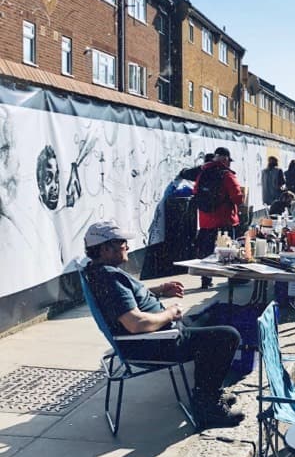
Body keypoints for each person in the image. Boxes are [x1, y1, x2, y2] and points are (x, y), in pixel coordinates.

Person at [83, 220, 244, 428]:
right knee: (227, 336)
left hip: (156, 337)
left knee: (212, 314)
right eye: (122, 242)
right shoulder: (109, 278)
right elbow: (136, 323)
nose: (128, 247)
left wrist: (158, 290)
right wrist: (170, 313)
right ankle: (207, 406)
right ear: (106, 248)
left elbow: (126, 300)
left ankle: (209, 390)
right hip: (154, 345)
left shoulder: (98, 271)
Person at [194, 147, 244, 289]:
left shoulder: (202, 172)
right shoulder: (227, 175)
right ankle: (232, 279)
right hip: (224, 219)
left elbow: (195, 191)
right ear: (226, 159)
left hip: (205, 220)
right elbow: (238, 198)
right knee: (229, 250)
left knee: (207, 250)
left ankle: (206, 280)